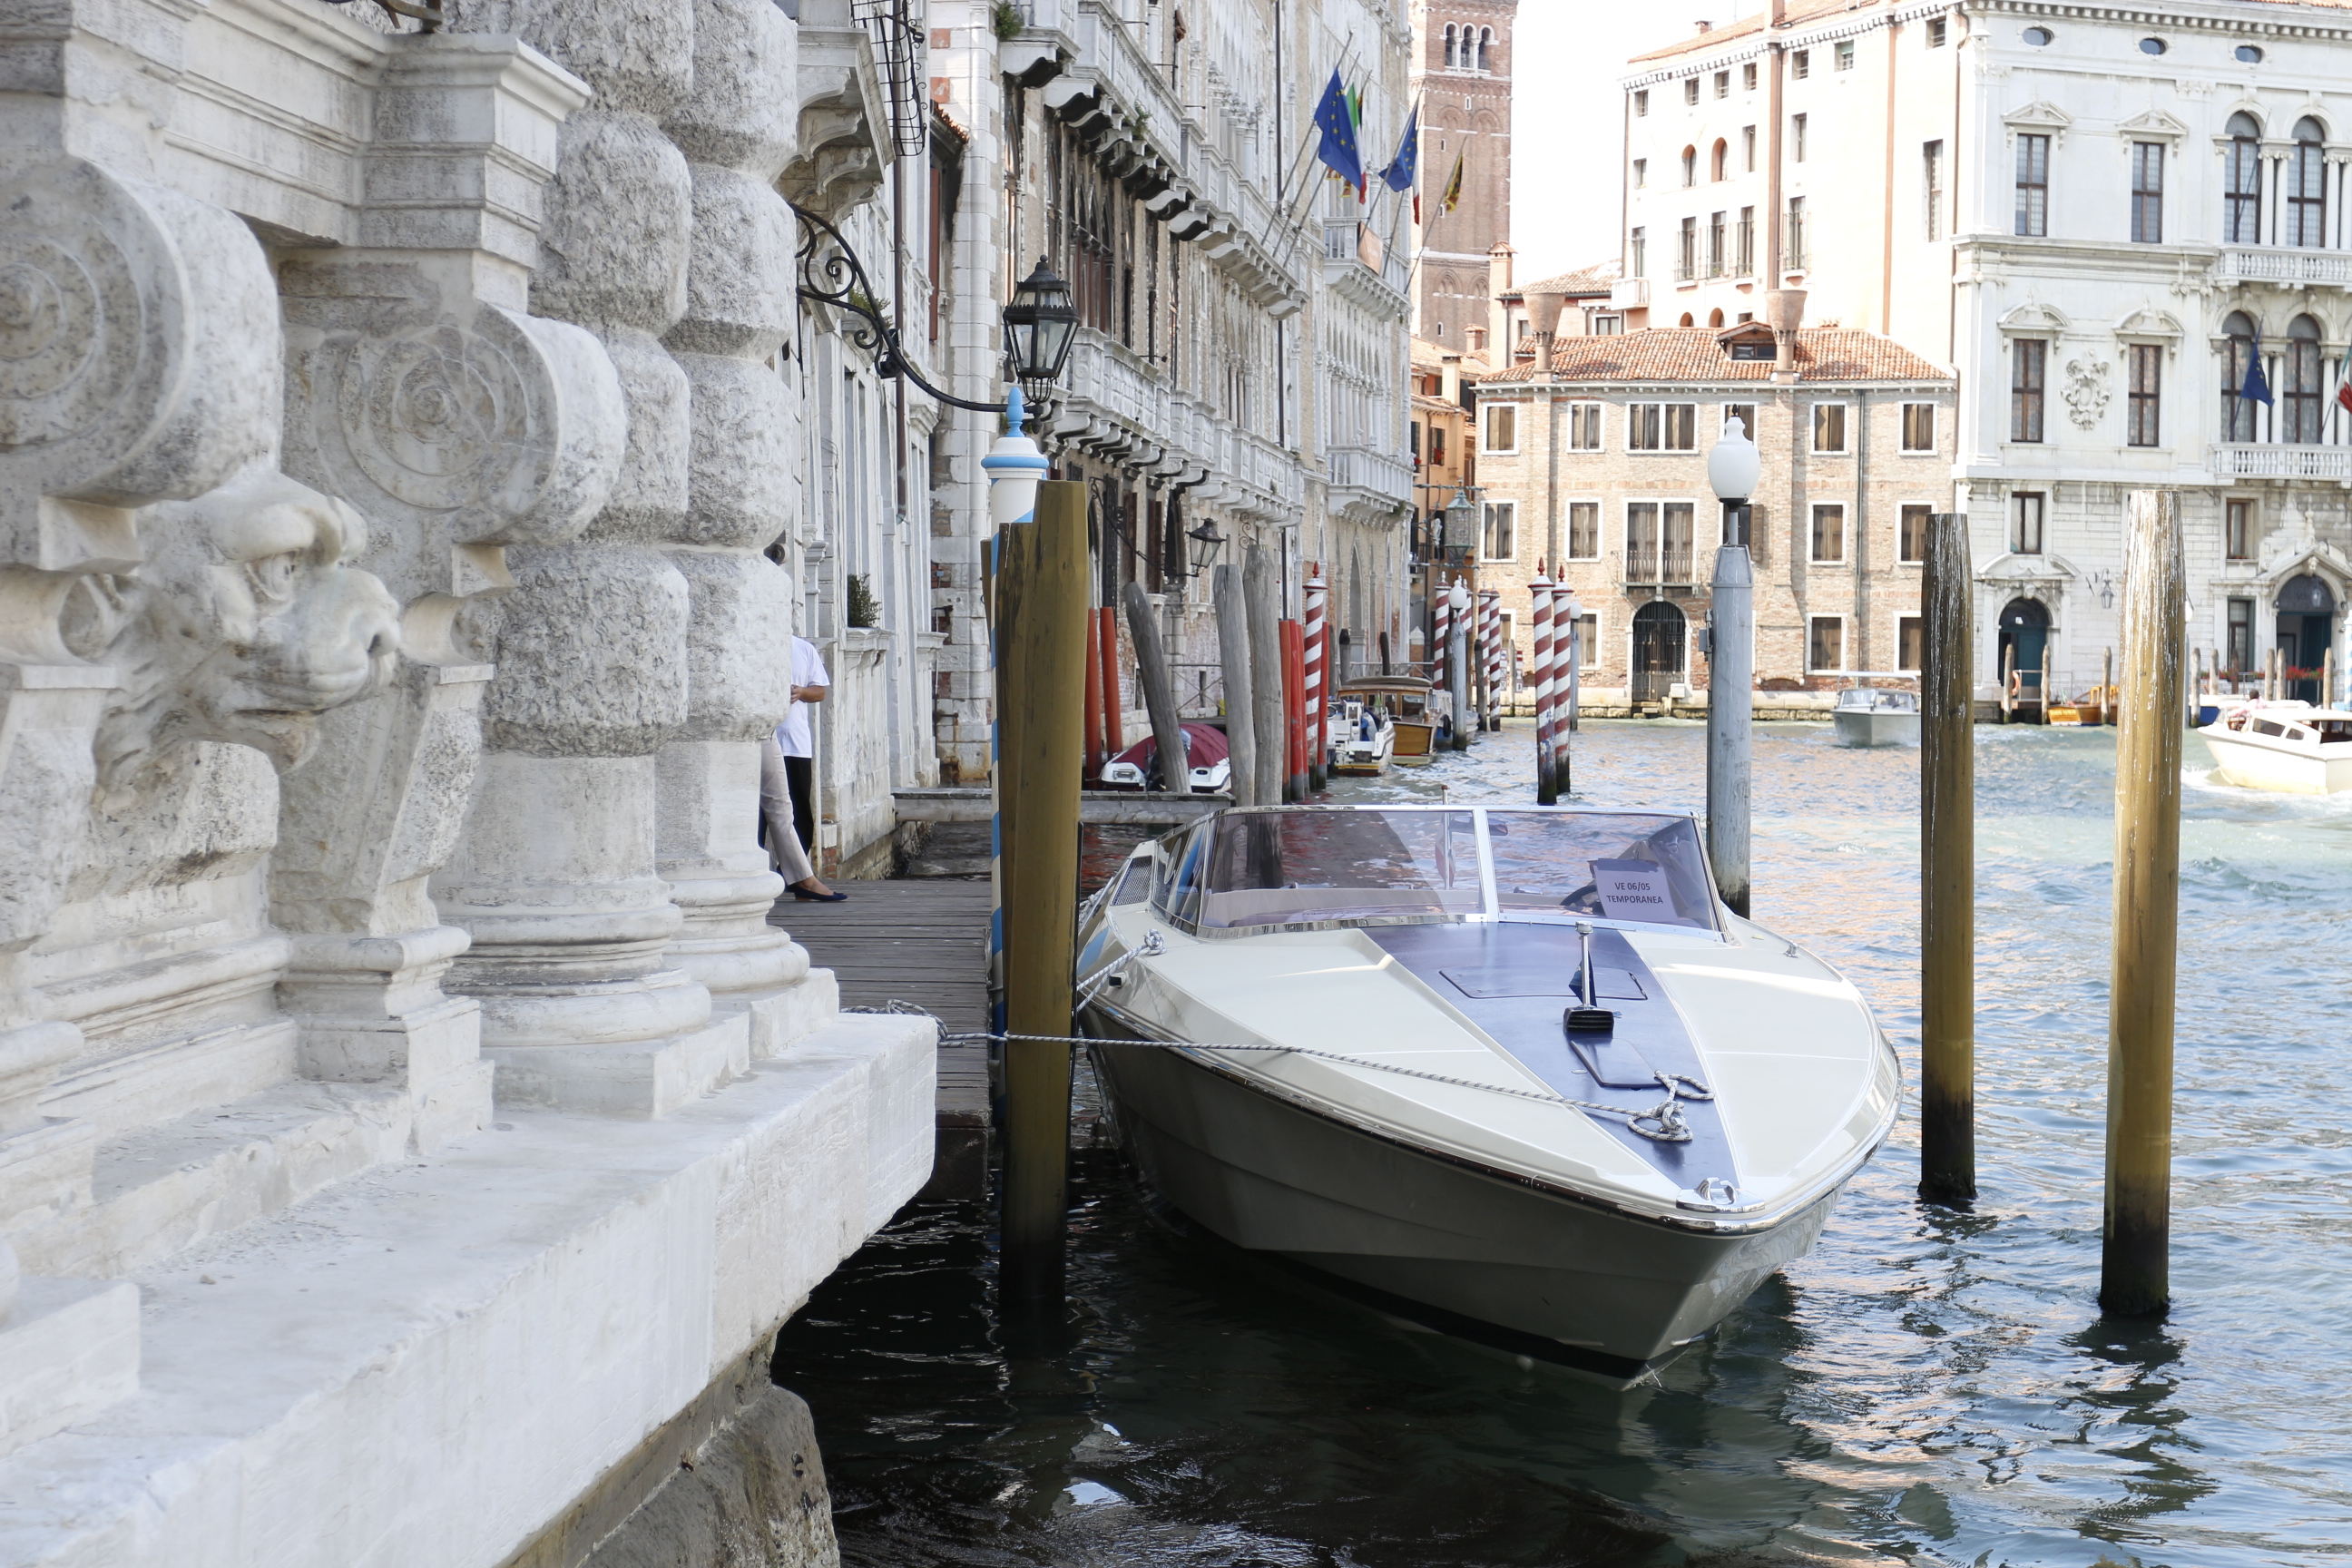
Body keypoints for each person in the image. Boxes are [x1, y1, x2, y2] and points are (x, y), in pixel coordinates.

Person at [762, 633, 845, 901]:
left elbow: (819, 691)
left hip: (795, 742)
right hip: (762, 738)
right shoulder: (759, 643)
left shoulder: (802, 648)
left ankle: (795, 877)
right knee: (760, 815)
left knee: (800, 813)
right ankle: (764, 877)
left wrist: (800, 692)